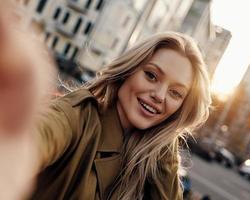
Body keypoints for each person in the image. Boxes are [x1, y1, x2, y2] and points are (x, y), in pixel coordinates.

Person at [0, 2, 211, 200]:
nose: (160, 95)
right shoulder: (77, 117)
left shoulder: (152, 156)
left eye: (175, 93)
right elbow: (36, 138)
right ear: (129, 70)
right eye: (151, 75)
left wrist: (167, 136)